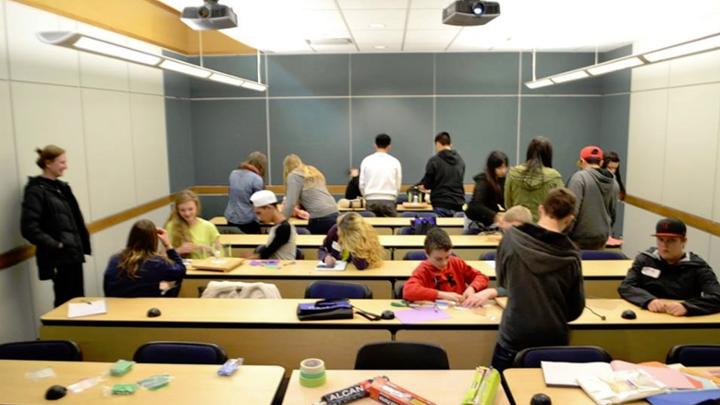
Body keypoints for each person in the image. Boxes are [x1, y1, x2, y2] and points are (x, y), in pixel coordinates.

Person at [492, 187, 585, 372]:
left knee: (500, 395)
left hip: (514, 335)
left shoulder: (510, 239)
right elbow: (575, 309)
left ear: (541, 210)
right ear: (569, 219)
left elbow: (503, 282)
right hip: (553, 341)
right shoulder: (572, 257)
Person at [21, 145, 92, 308]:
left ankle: (77, 334)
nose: (65, 166)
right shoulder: (36, 190)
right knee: (64, 303)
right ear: (48, 163)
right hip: (58, 257)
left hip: (73, 254)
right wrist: (57, 245)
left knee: (77, 301)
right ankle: (62, 334)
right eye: (62, 162)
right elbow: (29, 228)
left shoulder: (62, 187)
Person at [618, 218, 720, 316]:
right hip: (647, 316)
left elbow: (717, 296)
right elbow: (626, 286)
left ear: (684, 241)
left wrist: (688, 306)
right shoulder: (645, 260)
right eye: (660, 239)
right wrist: (648, 300)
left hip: (681, 321)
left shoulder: (698, 267)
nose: (664, 245)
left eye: (671, 240)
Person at [403, 228, 498, 306]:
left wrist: (472, 288)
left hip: (460, 311)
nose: (444, 263)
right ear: (427, 254)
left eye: (447, 257)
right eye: (438, 259)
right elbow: (408, 291)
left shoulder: (456, 262)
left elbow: (482, 277)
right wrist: (441, 295)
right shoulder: (423, 270)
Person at [104, 219, 186, 298]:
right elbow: (181, 270)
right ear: (153, 240)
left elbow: (107, 287)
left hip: (118, 308)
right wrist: (168, 245)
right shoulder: (157, 262)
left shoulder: (114, 259)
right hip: (148, 308)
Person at [567, 146, 618, 250]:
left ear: (581, 161)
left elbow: (572, 211)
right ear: (601, 162)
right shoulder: (614, 182)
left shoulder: (579, 178)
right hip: (602, 238)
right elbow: (613, 213)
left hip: (578, 238)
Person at [504, 136, 564, 222]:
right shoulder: (554, 177)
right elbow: (560, 207)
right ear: (548, 154)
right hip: (543, 229)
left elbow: (508, 204)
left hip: (517, 227)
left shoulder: (513, 173)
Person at [282, 154, 339, 234]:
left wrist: (279, 223)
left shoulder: (293, 175)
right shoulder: (312, 172)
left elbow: (290, 204)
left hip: (320, 218)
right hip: (335, 213)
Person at [418, 132, 466, 217]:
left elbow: (428, 183)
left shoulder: (434, 160)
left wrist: (423, 186)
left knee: (441, 229)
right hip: (459, 203)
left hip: (441, 203)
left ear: (438, 143)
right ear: (450, 144)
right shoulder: (460, 161)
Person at [165, 189, 222, 259]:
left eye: (190, 209)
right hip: (180, 268)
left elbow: (220, 254)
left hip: (205, 267)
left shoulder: (208, 226)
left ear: (197, 207)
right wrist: (179, 250)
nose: (187, 213)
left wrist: (210, 250)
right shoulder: (171, 226)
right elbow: (163, 256)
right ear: (177, 210)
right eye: (182, 210)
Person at [318, 213, 384, 270]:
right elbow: (322, 249)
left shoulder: (366, 238)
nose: (338, 232)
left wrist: (354, 247)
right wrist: (325, 257)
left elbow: (361, 266)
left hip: (356, 274)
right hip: (337, 270)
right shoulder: (335, 231)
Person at [359, 133, 402, 217]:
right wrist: (394, 196)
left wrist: (366, 196)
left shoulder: (366, 160)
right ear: (389, 146)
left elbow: (361, 184)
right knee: (392, 227)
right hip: (389, 199)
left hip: (370, 199)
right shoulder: (395, 161)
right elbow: (398, 184)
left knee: (370, 227)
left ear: (375, 145)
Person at [224, 151, 267, 234]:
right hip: (248, 221)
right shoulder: (257, 179)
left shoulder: (233, 174)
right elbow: (260, 203)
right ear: (261, 166)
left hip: (231, 219)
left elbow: (230, 193)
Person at [466, 151, 509, 227]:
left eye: (505, 167)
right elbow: (477, 205)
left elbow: (503, 201)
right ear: (492, 167)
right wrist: (494, 215)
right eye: (500, 167)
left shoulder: (502, 180)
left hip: (489, 220)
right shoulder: (483, 181)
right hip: (476, 221)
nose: (504, 170)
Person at [251, 190, 297, 260]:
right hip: (275, 266)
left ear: (269, 208)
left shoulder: (284, 228)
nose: (258, 218)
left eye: (259, 213)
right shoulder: (278, 226)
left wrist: (252, 257)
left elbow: (268, 252)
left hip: (283, 269)